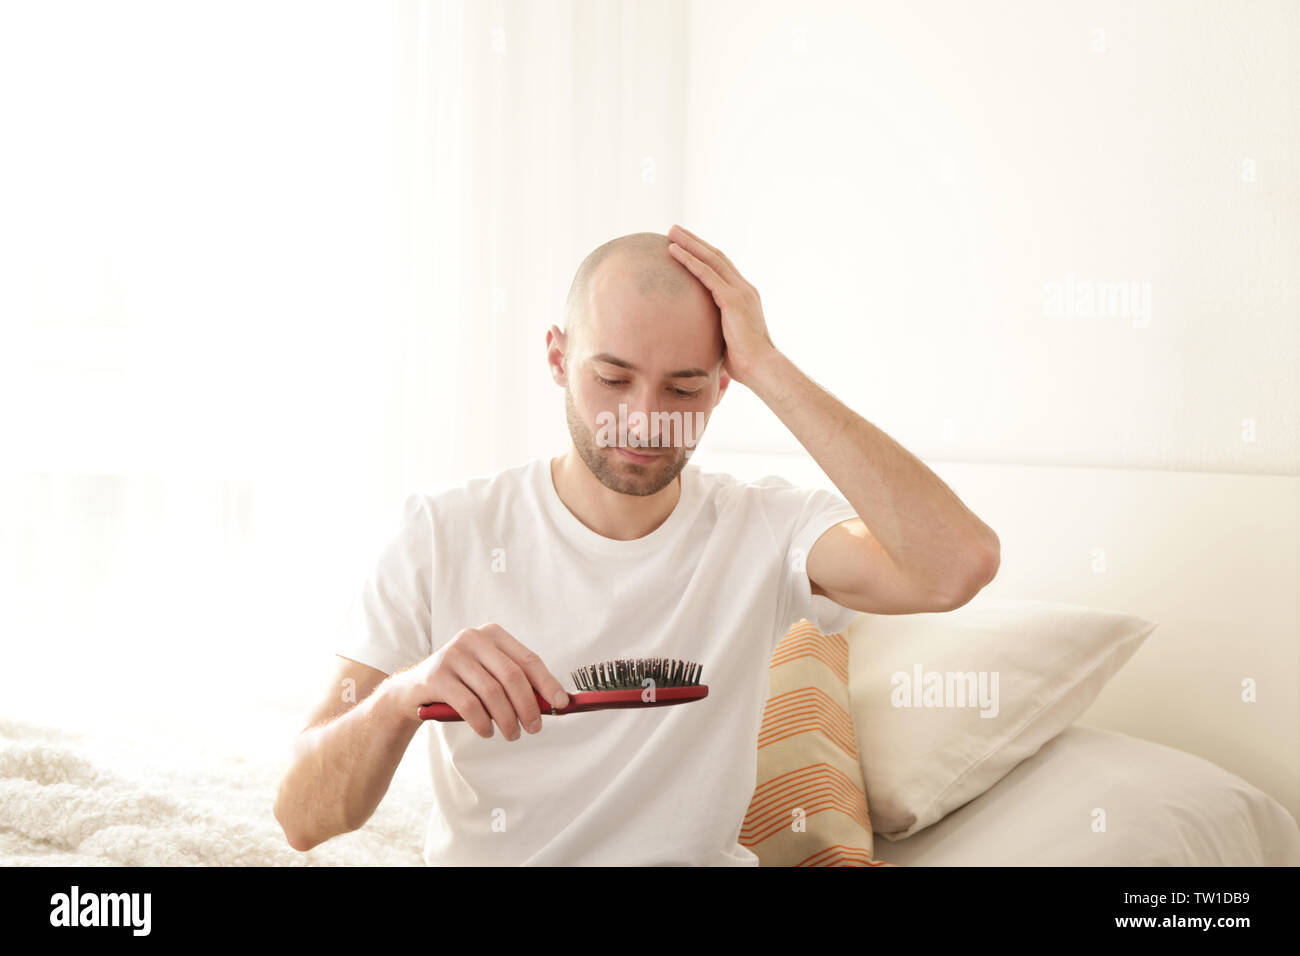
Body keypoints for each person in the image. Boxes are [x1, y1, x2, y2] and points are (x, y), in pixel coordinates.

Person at [273, 224, 1000, 865]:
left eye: (683, 390)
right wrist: (403, 696)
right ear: (558, 359)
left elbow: (955, 566)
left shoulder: (767, 532)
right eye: (612, 378)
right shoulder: (443, 534)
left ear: (722, 386)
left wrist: (769, 367)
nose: (644, 421)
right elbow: (301, 817)